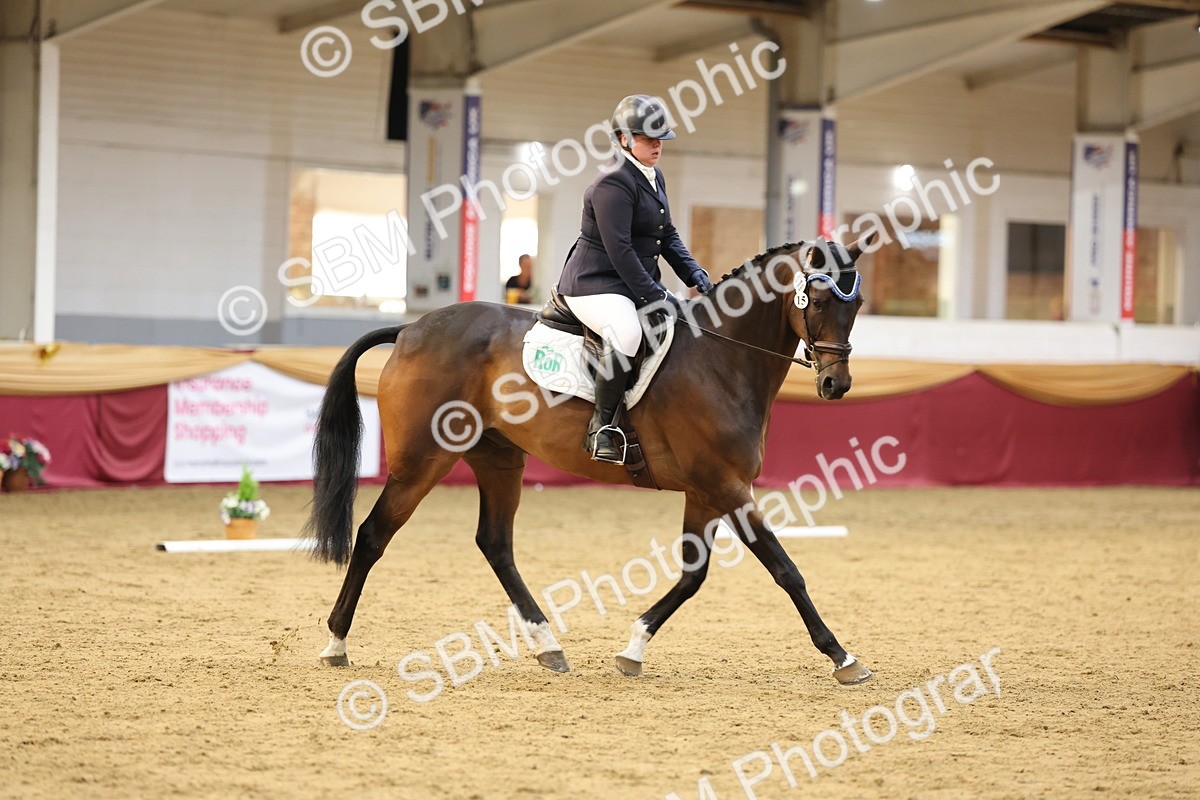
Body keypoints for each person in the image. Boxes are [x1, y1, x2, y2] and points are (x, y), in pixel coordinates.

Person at [555, 94, 714, 464]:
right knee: (628, 333)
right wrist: (658, 296)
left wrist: (693, 271)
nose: (657, 146)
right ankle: (602, 428)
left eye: (661, 139)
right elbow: (621, 252)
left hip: (629, 284)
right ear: (624, 139)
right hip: (595, 284)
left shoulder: (653, 176)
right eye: (648, 138)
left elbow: (667, 234)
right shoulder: (612, 183)